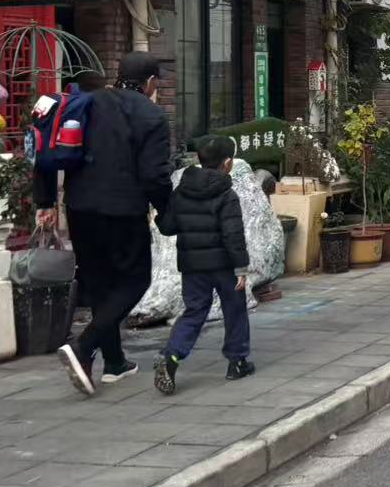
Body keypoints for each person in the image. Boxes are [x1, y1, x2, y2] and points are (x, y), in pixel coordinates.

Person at [36, 51, 172, 396]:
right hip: (123, 210)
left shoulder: (86, 103)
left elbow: (45, 149)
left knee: (100, 283)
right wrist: (168, 212)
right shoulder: (152, 115)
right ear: (150, 83)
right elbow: (154, 176)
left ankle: (114, 362)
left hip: (79, 207)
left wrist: (45, 201)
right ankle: (84, 347)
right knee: (135, 279)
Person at [153, 134, 254, 394]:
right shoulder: (226, 194)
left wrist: (159, 214)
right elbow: (233, 235)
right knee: (235, 309)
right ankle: (237, 362)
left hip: (192, 264)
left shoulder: (182, 190)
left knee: (195, 310)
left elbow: (168, 226)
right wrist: (241, 268)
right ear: (227, 163)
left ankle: (171, 356)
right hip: (223, 265)